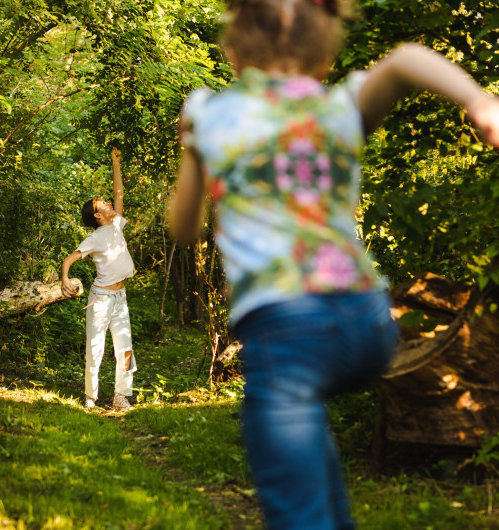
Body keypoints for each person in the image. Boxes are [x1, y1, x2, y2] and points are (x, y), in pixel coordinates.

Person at [168, 0, 499, 528]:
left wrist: (193, 150)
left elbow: (183, 228)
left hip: (286, 329)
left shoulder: (208, 112)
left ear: (232, 55)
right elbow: (407, 58)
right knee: (312, 466)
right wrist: (480, 103)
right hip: (366, 323)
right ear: (325, 59)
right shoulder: (339, 106)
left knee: (294, 489)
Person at [62, 147, 137, 412]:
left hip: (120, 298)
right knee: (95, 349)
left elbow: (119, 193)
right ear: (97, 215)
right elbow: (68, 260)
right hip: (101, 299)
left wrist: (116, 161)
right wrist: (65, 279)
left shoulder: (116, 224)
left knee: (125, 349)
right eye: (103, 204)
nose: (109, 203)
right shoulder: (95, 238)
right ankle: (90, 398)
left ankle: (121, 396)